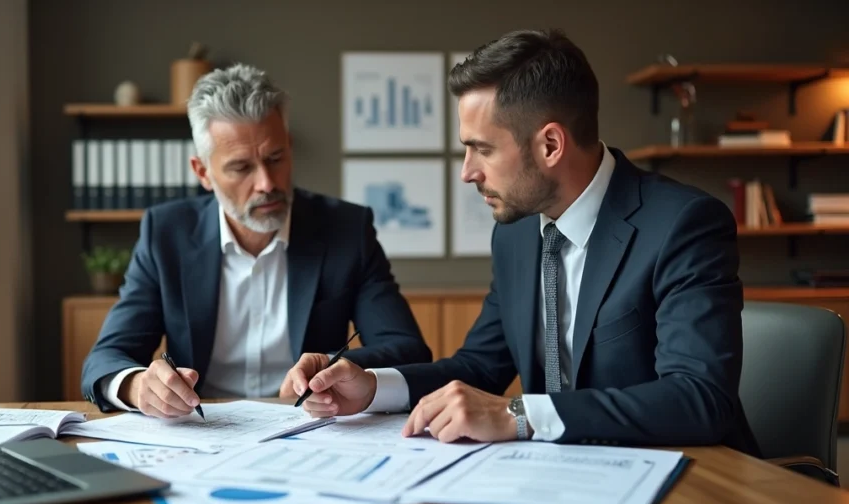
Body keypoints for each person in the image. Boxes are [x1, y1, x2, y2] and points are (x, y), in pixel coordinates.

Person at [286, 29, 761, 456]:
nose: (468, 172)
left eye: (483, 149)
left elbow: (699, 398)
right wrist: (372, 387)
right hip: (564, 478)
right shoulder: (515, 234)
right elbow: (482, 366)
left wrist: (520, 416)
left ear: (550, 145)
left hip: (695, 482)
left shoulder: (684, 224)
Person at [81, 64, 431, 417]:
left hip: (308, 427)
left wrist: (333, 366)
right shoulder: (166, 233)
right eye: (241, 168)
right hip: (203, 429)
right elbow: (105, 358)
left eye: (275, 158)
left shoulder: (347, 230)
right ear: (203, 172)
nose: (266, 182)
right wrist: (137, 385)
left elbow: (407, 348)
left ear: (289, 146)